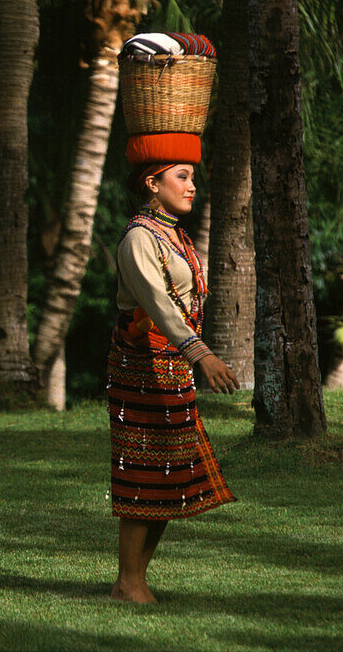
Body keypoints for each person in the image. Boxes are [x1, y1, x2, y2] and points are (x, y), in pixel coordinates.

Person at [108, 160, 240, 603]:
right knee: (143, 468)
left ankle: (135, 579)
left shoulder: (174, 234)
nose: (191, 185)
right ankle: (128, 580)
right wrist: (200, 352)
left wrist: (189, 353)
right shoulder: (139, 237)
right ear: (152, 183)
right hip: (142, 363)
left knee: (170, 471)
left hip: (172, 361)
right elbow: (158, 303)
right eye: (180, 176)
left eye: (191, 176)